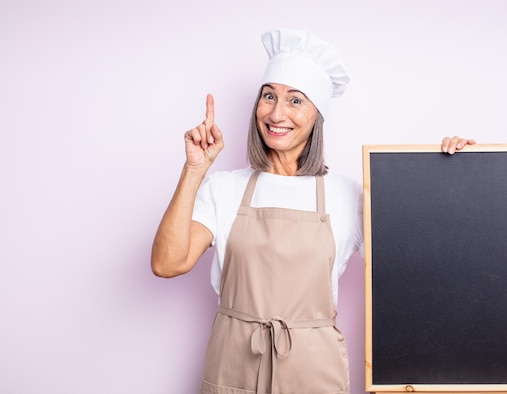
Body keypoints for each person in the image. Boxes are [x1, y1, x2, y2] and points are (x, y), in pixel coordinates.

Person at [151, 28, 475, 394]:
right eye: (268, 96)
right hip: (234, 365)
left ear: (316, 115)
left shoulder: (347, 194)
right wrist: (195, 168)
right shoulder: (225, 188)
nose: (276, 113)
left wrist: (456, 174)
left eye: (295, 101)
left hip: (314, 371)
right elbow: (167, 263)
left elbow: (419, 268)